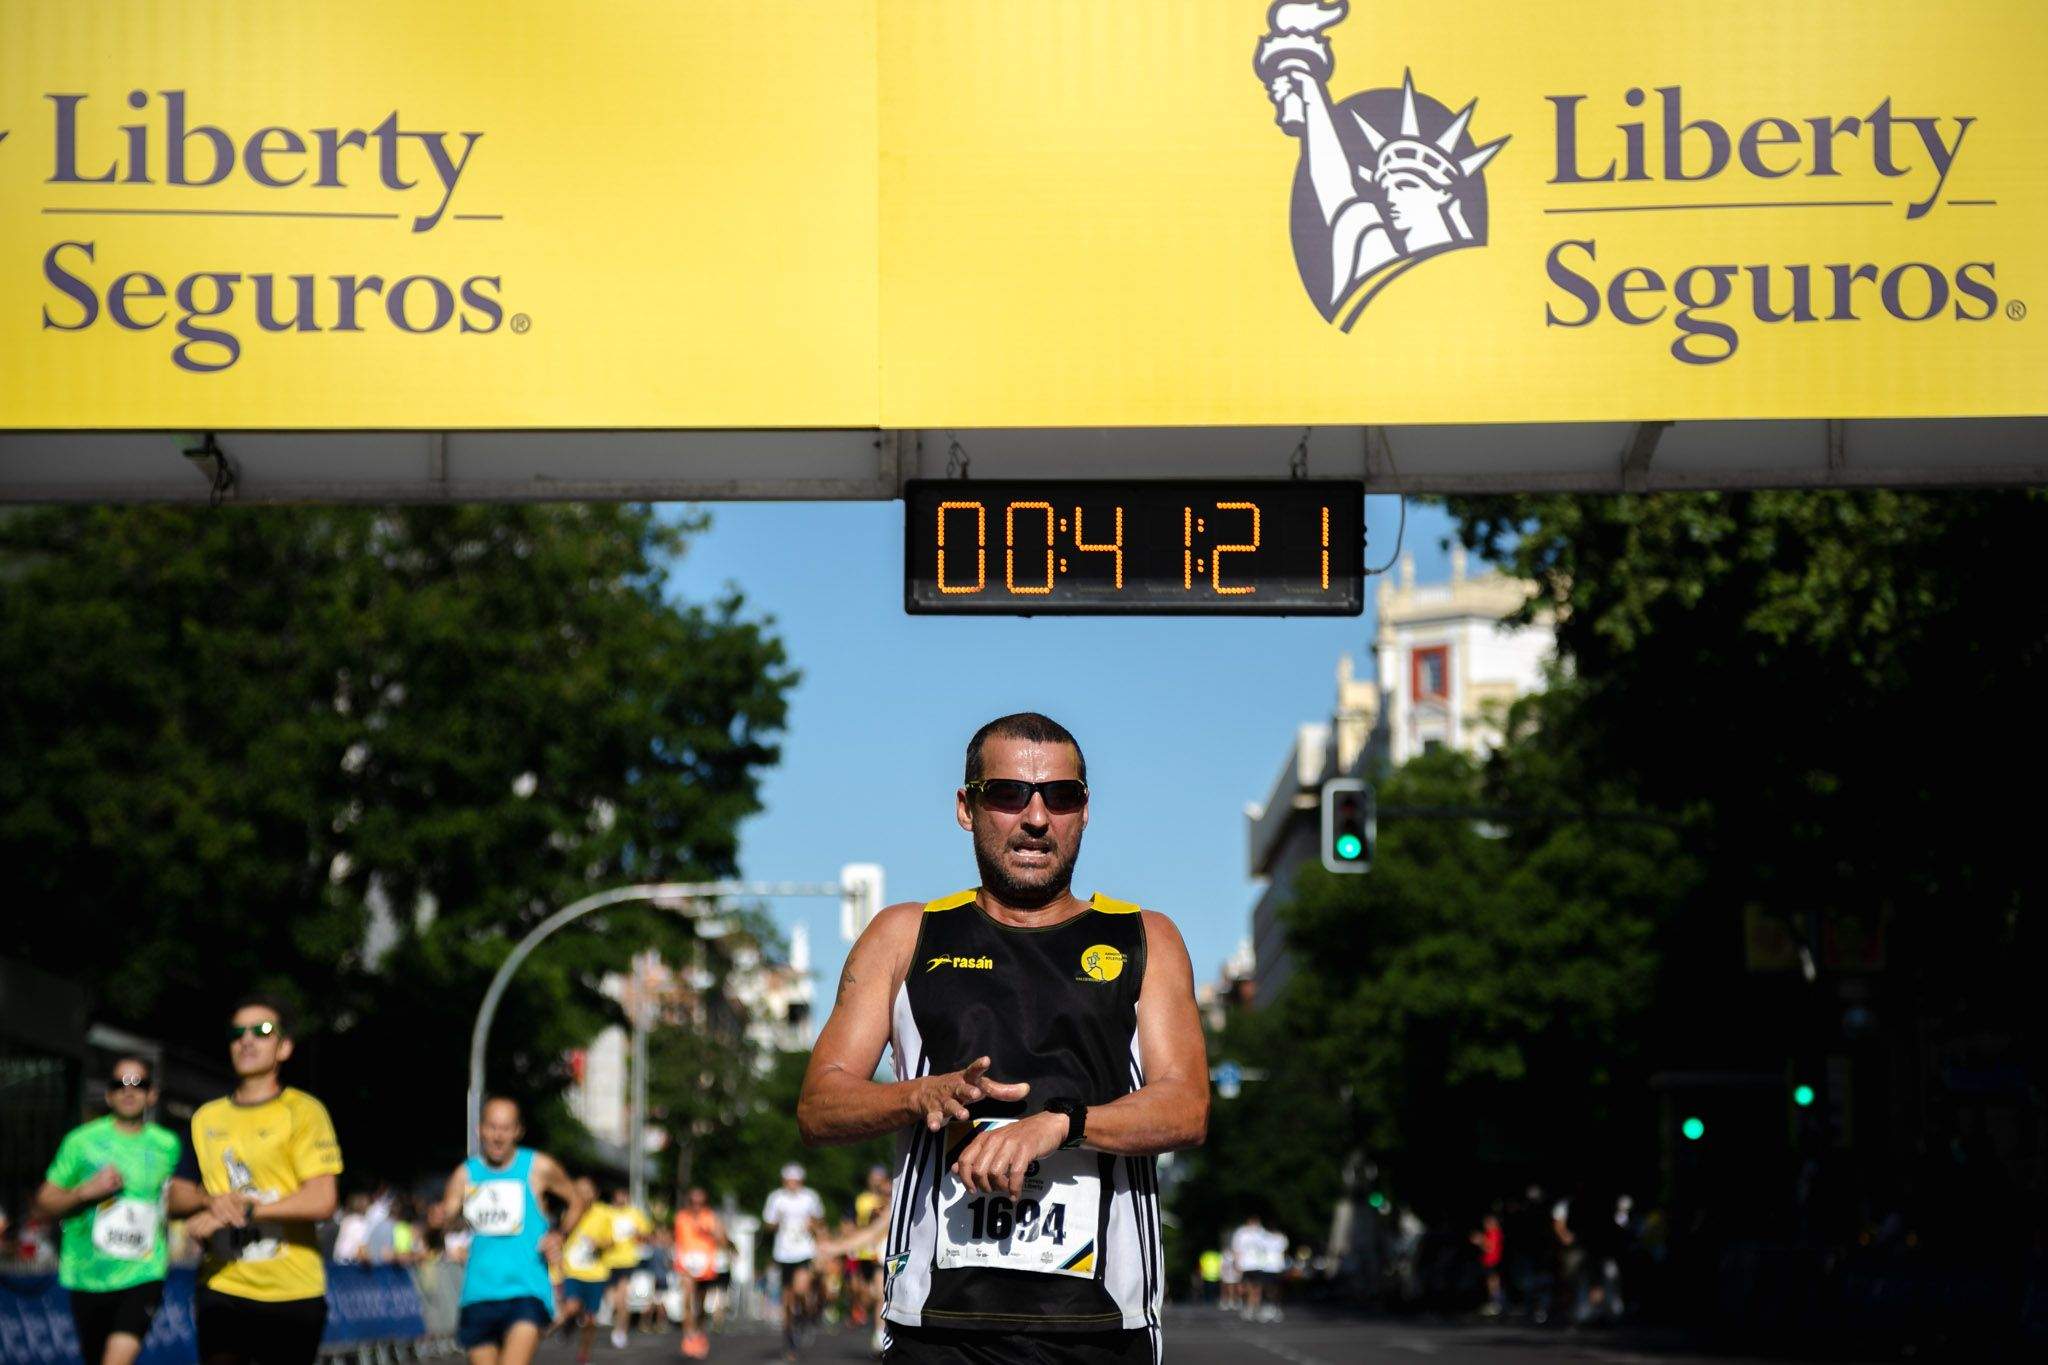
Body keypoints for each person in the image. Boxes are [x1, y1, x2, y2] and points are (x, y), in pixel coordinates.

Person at [796, 712, 1210, 1364]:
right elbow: (819, 1105)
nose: (1036, 817)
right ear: (967, 807)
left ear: (1085, 811)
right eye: (1010, 794)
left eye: (1060, 796)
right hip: (938, 1327)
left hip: (1100, 1327)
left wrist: (1061, 1125)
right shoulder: (905, 935)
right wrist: (918, 1095)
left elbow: (1186, 1107)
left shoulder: (1144, 937)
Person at [167, 995, 344, 1365]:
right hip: (223, 1284)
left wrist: (245, 1210)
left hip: (291, 1291)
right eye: (238, 1033)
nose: (247, 1040)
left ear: (284, 1047)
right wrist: (209, 1201)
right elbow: (177, 1196)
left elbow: (322, 1199)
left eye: (262, 1031)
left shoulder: (304, 1111)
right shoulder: (205, 1118)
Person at [34, 1057, 182, 1365]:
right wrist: (84, 1191)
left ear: (152, 1094)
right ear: (108, 1094)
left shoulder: (167, 1144)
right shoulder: (81, 1142)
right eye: (120, 1083)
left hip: (144, 1272)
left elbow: (179, 1198)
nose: (129, 1090)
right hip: (89, 1274)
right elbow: (44, 1202)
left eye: (138, 1083)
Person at [431, 1096, 587, 1365]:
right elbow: (446, 1213)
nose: (498, 1136)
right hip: (478, 1293)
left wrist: (559, 1235)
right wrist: (437, 1219)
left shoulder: (537, 1167)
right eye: (492, 1127)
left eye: (505, 1128)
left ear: (518, 1131)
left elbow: (577, 1201)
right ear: (480, 1129)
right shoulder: (466, 1174)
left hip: (526, 1291)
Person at [760, 1164, 825, 1359]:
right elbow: (768, 1225)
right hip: (783, 1253)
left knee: (801, 1290)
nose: (792, 1184)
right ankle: (789, 1339)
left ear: (801, 1181)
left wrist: (813, 1225)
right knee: (787, 1300)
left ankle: (804, 1318)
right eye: (788, 1180)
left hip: (804, 1251)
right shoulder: (776, 1198)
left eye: (795, 1180)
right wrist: (776, 1222)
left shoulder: (810, 1197)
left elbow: (820, 1222)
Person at [558, 1178, 614, 1365]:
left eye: (586, 1191)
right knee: (571, 1307)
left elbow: (611, 1241)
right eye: (578, 1191)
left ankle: (584, 1354)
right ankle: (569, 1324)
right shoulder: (569, 1212)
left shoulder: (604, 1213)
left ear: (595, 1194)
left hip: (595, 1274)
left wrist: (598, 1243)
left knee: (590, 1319)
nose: (582, 1195)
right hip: (572, 1271)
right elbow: (561, 1237)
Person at [672, 1186, 727, 1359]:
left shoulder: (711, 1217)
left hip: (705, 1268)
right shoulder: (681, 1217)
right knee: (687, 1301)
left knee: (701, 1304)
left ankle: (700, 1333)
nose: (696, 1205)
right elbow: (677, 1240)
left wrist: (711, 1232)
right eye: (693, 1202)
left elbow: (722, 1240)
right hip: (686, 1266)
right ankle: (689, 1336)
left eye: (700, 1202)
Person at [599, 1186, 654, 1348]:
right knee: (612, 1299)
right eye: (619, 1195)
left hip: (626, 1261)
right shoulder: (606, 1212)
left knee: (622, 1299)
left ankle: (620, 1331)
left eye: (624, 1195)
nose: (622, 1198)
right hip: (607, 1261)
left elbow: (647, 1236)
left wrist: (636, 1233)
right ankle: (617, 1324)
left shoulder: (635, 1214)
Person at [1229, 1215, 1276, 1323]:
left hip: (1258, 1265)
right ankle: (1248, 1305)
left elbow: (1268, 1248)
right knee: (1245, 1287)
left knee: (1257, 1287)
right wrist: (1236, 1263)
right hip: (1245, 1265)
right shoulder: (1241, 1233)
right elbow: (1236, 1248)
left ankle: (1254, 1308)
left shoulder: (1262, 1233)